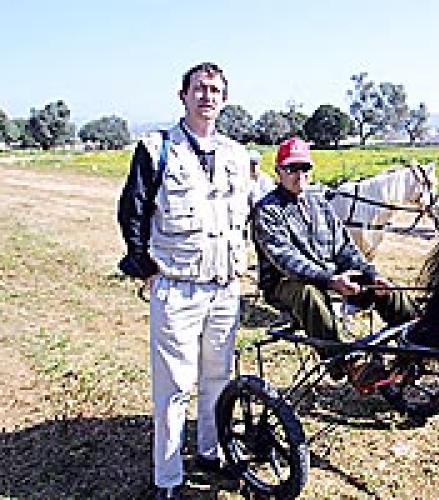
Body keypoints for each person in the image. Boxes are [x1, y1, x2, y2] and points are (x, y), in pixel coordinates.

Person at [117, 62, 250, 500]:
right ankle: (168, 478)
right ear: (183, 96)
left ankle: (210, 452)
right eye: (199, 88)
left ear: (224, 100)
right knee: (174, 386)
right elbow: (133, 210)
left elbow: (259, 209)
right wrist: (146, 268)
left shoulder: (238, 156)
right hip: (177, 287)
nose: (206, 96)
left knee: (218, 378)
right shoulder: (157, 148)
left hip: (225, 288)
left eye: (215, 90)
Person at [252, 137, 417, 390]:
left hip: (330, 277)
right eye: (291, 168)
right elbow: (286, 260)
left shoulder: (319, 203)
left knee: (386, 289)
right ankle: (349, 363)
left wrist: (371, 275)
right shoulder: (267, 210)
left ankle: (417, 341)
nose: (299, 175)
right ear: (278, 172)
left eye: (305, 168)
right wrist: (330, 280)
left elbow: (345, 249)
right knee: (309, 293)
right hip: (285, 283)